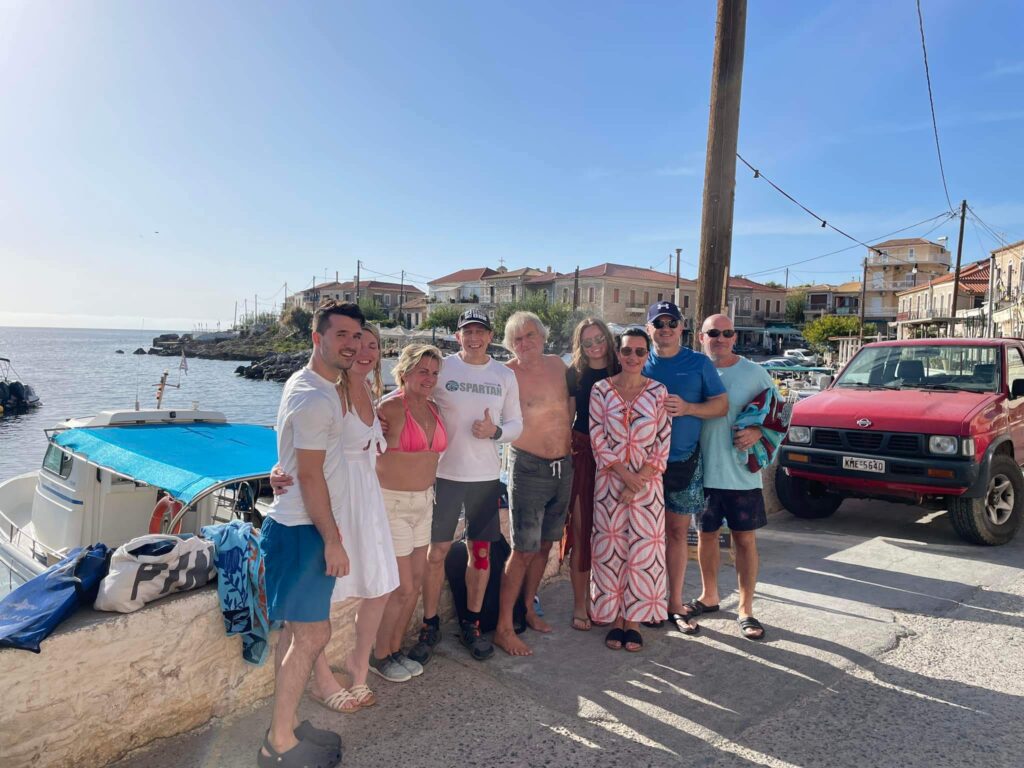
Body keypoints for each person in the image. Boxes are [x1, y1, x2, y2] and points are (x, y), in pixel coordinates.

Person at [272, 324, 400, 711]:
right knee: (319, 597)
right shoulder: (329, 390)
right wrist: (276, 469)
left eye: (372, 344)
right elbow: (297, 441)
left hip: (366, 497)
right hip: (334, 500)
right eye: (356, 342)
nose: (363, 349)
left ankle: (358, 667)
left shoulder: (368, 391)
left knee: (379, 584)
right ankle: (322, 679)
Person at [257, 299, 362, 768]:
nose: (351, 345)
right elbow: (314, 477)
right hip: (303, 530)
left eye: (356, 337)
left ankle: (286, 724)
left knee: (298, 635)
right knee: (314, 636)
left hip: (298, 523)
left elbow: (297, 459)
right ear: (317, 338)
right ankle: (278, 743)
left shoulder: (312, 384)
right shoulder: (314, 395)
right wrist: (333, 539)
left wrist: (280, 469)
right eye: (341, 335)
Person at [412, 308, 523, 662]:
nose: (474, 337)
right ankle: (430, 625)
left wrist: (497, 433)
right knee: (436, 554)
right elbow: (413, 399)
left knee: (481, 554)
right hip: (444, 476)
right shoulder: (442, 367)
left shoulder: (504, 375)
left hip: (486, 479)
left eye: (480, 331)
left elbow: (517, 422)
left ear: (491, 336)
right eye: (467, 332)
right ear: (458, 336)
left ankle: (472, 624)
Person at [684, 313, 777, 640]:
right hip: (703, 473)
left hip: (742, 476)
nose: (720, 338)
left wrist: (756, 430)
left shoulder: (756, 373)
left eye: (726, 333)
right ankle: (710, 597)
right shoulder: (694, 370)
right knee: (705, 536)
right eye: (713, 333)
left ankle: (745, 608)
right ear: (701, 336)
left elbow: (778, 418)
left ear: (735, 337)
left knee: (745, 540)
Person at [642, 301, 727, 632]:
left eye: (671, 323)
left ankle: (674, 603)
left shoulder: (699, 363)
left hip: (683, 462)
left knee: (677, 533)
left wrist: (689, 407)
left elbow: (720, 405)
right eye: (658, 323)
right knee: (645, 537)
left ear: (681, 328)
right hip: (644, 468)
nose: (665, 329)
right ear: (649, 329)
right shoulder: (638, 362)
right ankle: (646, 601)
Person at [493, 311, 573, 656]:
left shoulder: (558, 365)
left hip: (563, 467)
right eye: (517, 339)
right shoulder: (505, 374)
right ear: (510, 345)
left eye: (530, 336)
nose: (524, 344)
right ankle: (503, 627)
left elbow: (570, 407)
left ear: (543, 337)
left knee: (545, 546)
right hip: (528, 468)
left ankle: (528, 608)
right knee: (523, 549)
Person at [589, 328, 672, 652]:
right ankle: (614, 616)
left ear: (647, 354)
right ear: (618, 353)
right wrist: (624, 474)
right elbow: (597, 435)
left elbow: (663, 439)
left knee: (642, 553)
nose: (633, 357)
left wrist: (639, 479)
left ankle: (634, 620)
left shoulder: (659, 392)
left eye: (640, 352)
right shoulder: (600, 391)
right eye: (627, 351)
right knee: (610, 553)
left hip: (647, 486)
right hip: (610, 482)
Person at [371, 343, 447, 677]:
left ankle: (395, 648)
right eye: (422, 371)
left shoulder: (434, 410)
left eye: (433, 372)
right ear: (404, 372)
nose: (429, 378)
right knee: (401, 587)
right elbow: (355, 446)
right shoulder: (387, 409)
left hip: (423, 502)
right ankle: (379, 656)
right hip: (393, 504)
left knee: (415, 585)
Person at [563, 317, 618, 632]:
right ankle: (580, 605)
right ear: (580, 346)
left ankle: (613, 602)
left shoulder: (623, 368)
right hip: (584, 455)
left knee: (614, 534)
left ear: (608, 339)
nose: (595, 345)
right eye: (587, 342)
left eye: (599, 338)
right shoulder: (575, 374)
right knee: (582, 533)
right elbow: (568, 417)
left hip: (619, 457)